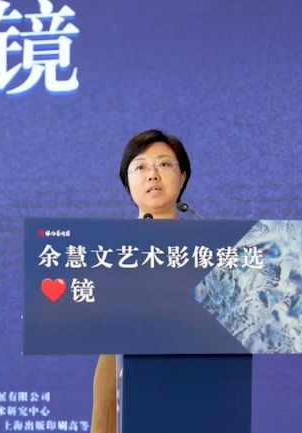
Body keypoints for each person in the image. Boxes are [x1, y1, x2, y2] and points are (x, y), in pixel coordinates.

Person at [89, 129, 192, 433]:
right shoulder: (106, 250)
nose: (152, 175)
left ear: (182, 177)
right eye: (140, 167)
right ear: (127, 181)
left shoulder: (209, 248)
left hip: (194, 366)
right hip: (120, 361)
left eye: (164, 164)